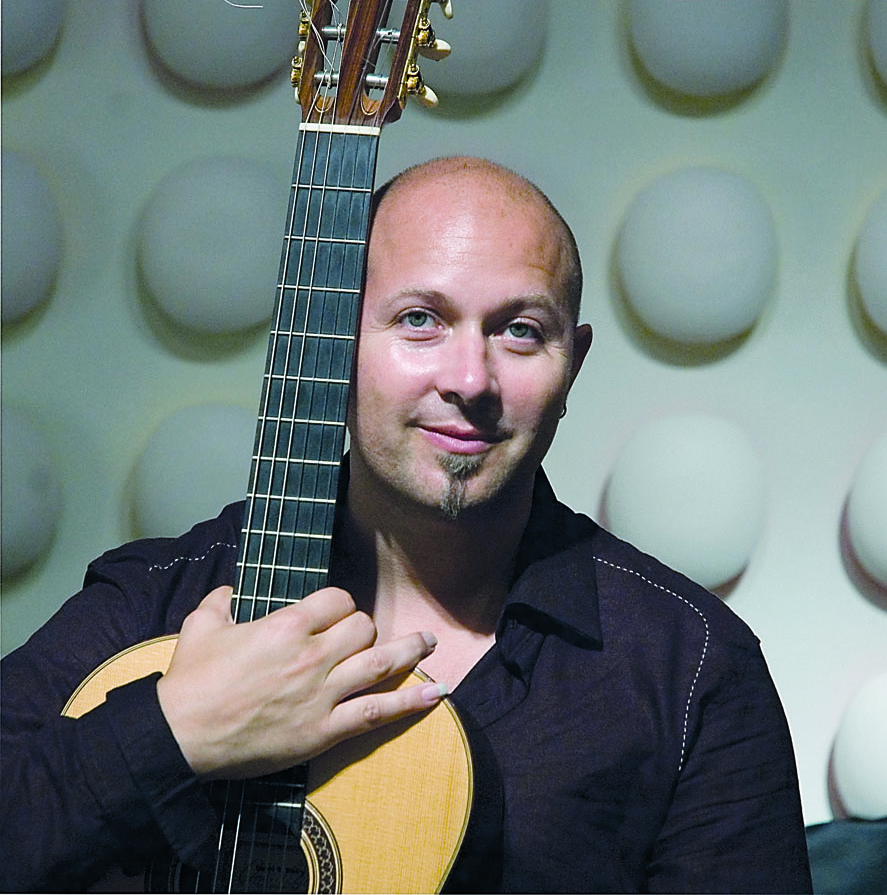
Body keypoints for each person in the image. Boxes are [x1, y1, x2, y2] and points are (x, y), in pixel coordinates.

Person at [0, 156, 813, 893]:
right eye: (420, 319)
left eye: (520, 331)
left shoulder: (690, 668)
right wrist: (177, 731)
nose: (470, 379)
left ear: (573, 364)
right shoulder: (158, 598)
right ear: (333, 341)